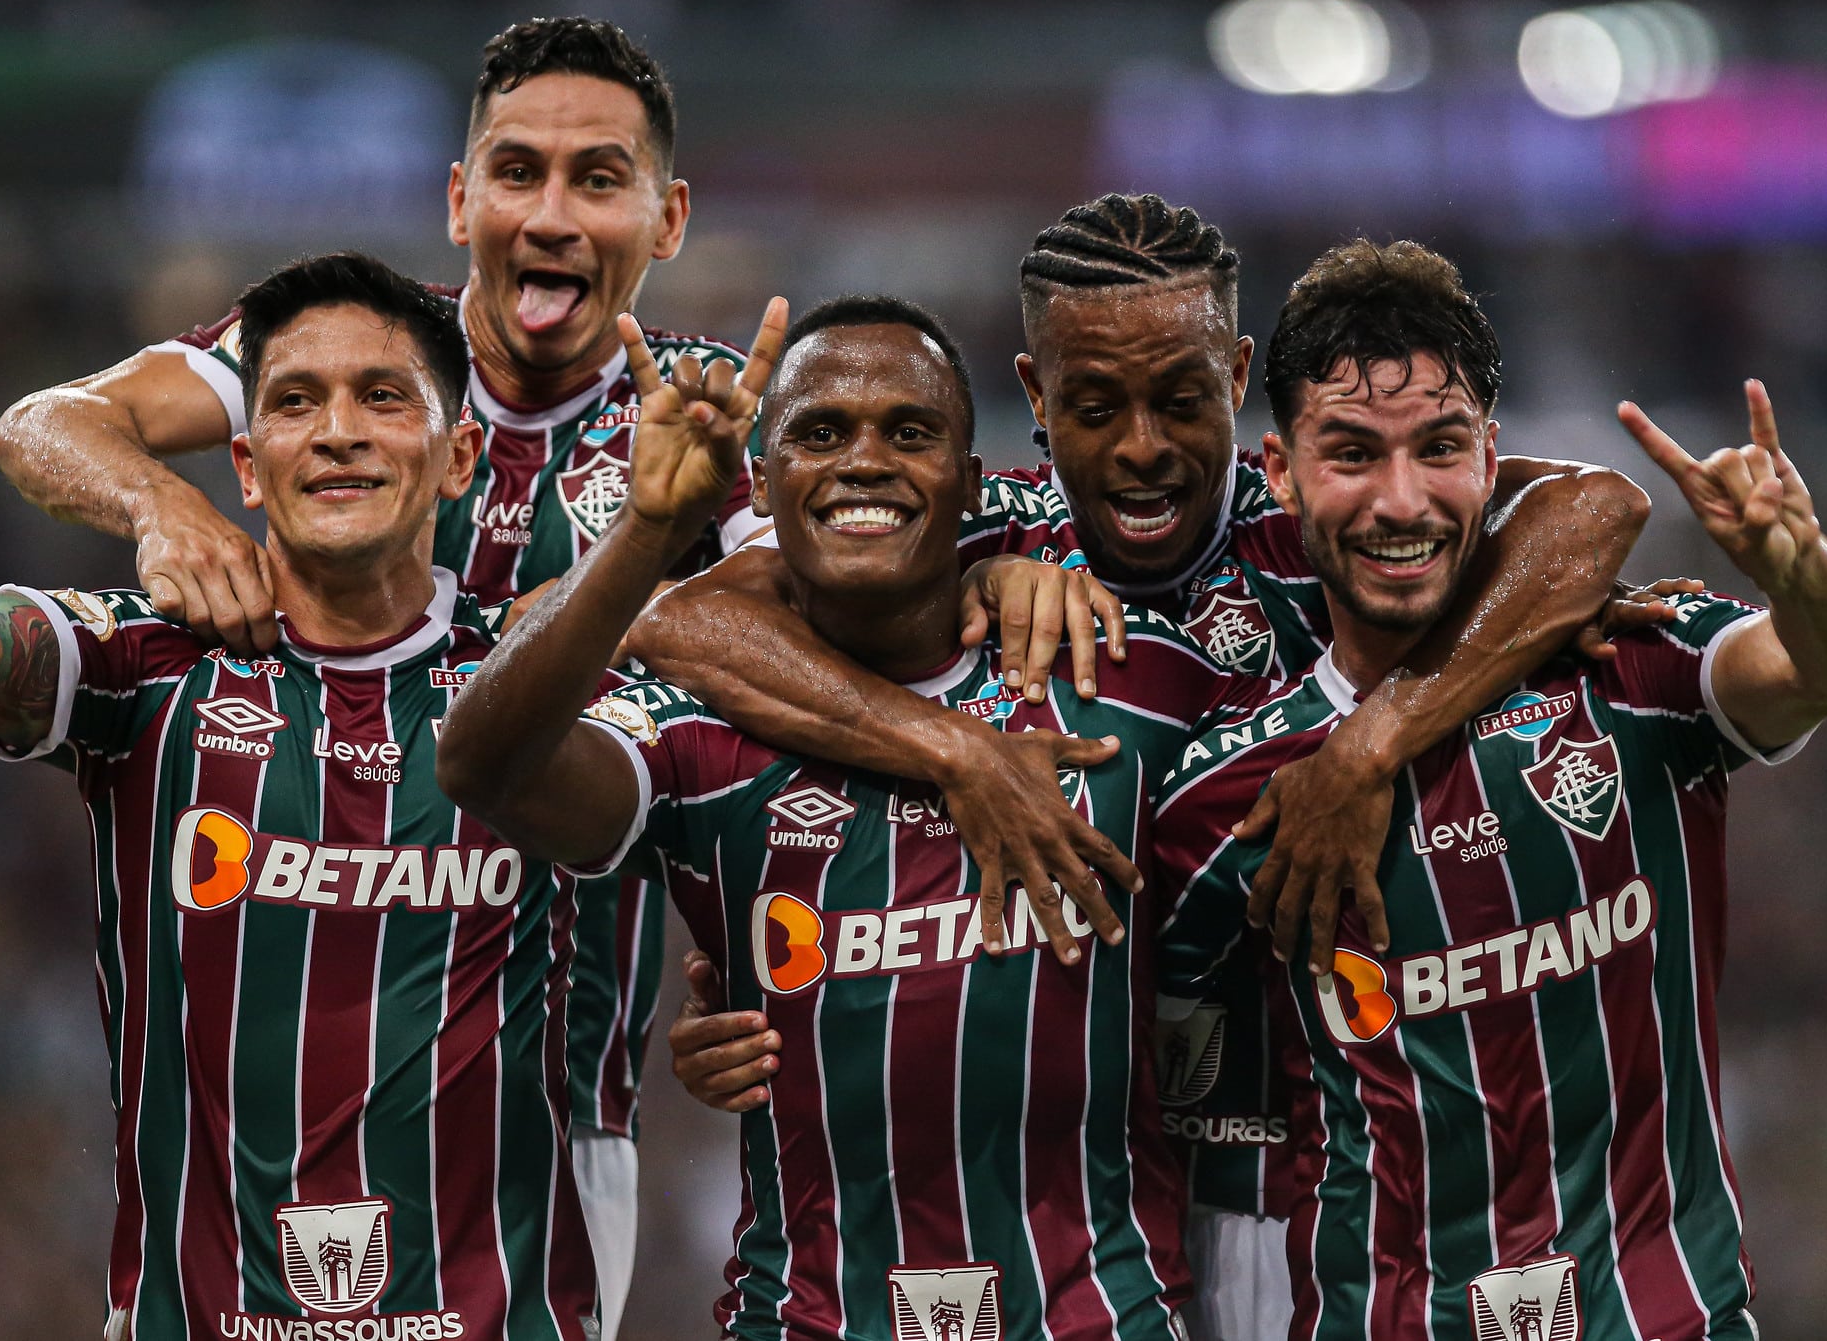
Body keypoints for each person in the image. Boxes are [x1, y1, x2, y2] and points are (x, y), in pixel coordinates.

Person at [640, 198, 1659, 1340]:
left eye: (1179, 398)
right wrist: (960, 752)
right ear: (1032, 397)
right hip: (1113, 1228)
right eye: (1091, 405)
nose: (1139, 445)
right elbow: (689, 628)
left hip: (1346, 1202)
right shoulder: (979, 538)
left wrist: (1370, 744)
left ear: (1234, 379)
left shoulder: (1325, 520)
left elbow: (1593, 508)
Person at [0, 19, 768, 1333]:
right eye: (516, 172)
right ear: (459, 199)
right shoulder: (358, 362)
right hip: (258, 1097)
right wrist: (154, 509)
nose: (553, 215)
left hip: (548, 1119)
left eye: (598, 178)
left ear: (667, 215)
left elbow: (817, 649)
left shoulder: (691, 431)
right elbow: (43, 420)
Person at [437, 294, 1231, 1341]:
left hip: (1100, 1317)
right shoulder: (697, 733)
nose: (863, 461)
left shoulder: (1129, 686)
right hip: (806, 1318)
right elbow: (482, 764)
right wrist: (646, 529)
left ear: (970, 479)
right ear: (762, 488)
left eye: (909, 432)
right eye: (819, 433)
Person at [1152, 239, 1827, 1340]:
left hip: (1662, 1318)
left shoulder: (1630, 667)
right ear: (1278, 470)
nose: (1400, 502)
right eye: (1352, 453)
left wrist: (1795, 569)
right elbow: (1070, 1036)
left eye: (1437, 449)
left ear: (1492, 457)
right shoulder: (1233, 791)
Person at [0, 253, 622, 1338]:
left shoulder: (543, 691)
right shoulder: (150, 666)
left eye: (381, 397)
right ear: (245, 461)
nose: (336, 431)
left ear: (461, 454)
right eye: (294, 401)